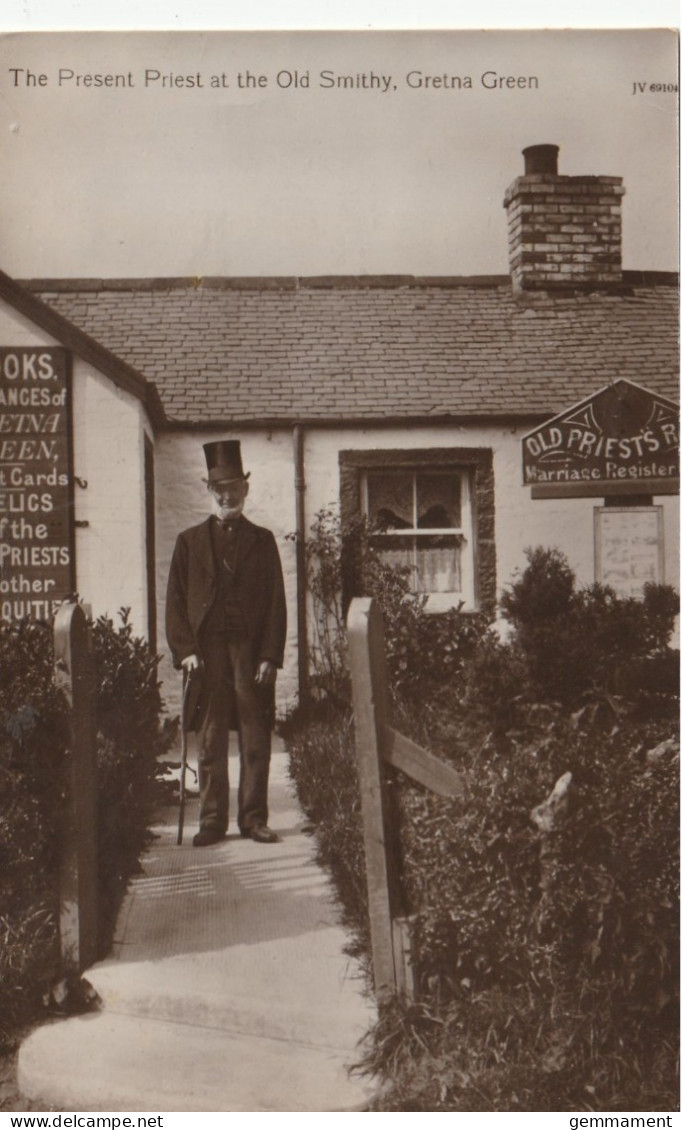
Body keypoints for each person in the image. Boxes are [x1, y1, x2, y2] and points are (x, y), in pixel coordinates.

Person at [165, 440, 287, 847]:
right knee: (211, 734)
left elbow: (275, 602)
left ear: (246, 488)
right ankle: (212, 821)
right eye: (220, 489)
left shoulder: (263, 541)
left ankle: (253, 819)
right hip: (206, 654)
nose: (227, 495)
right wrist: (185, 651)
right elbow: (176, 604)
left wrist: (270, 654)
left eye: (234, 487)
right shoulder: (188, 543)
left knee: (255, 735)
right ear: (209, 490)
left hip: (249, 654)